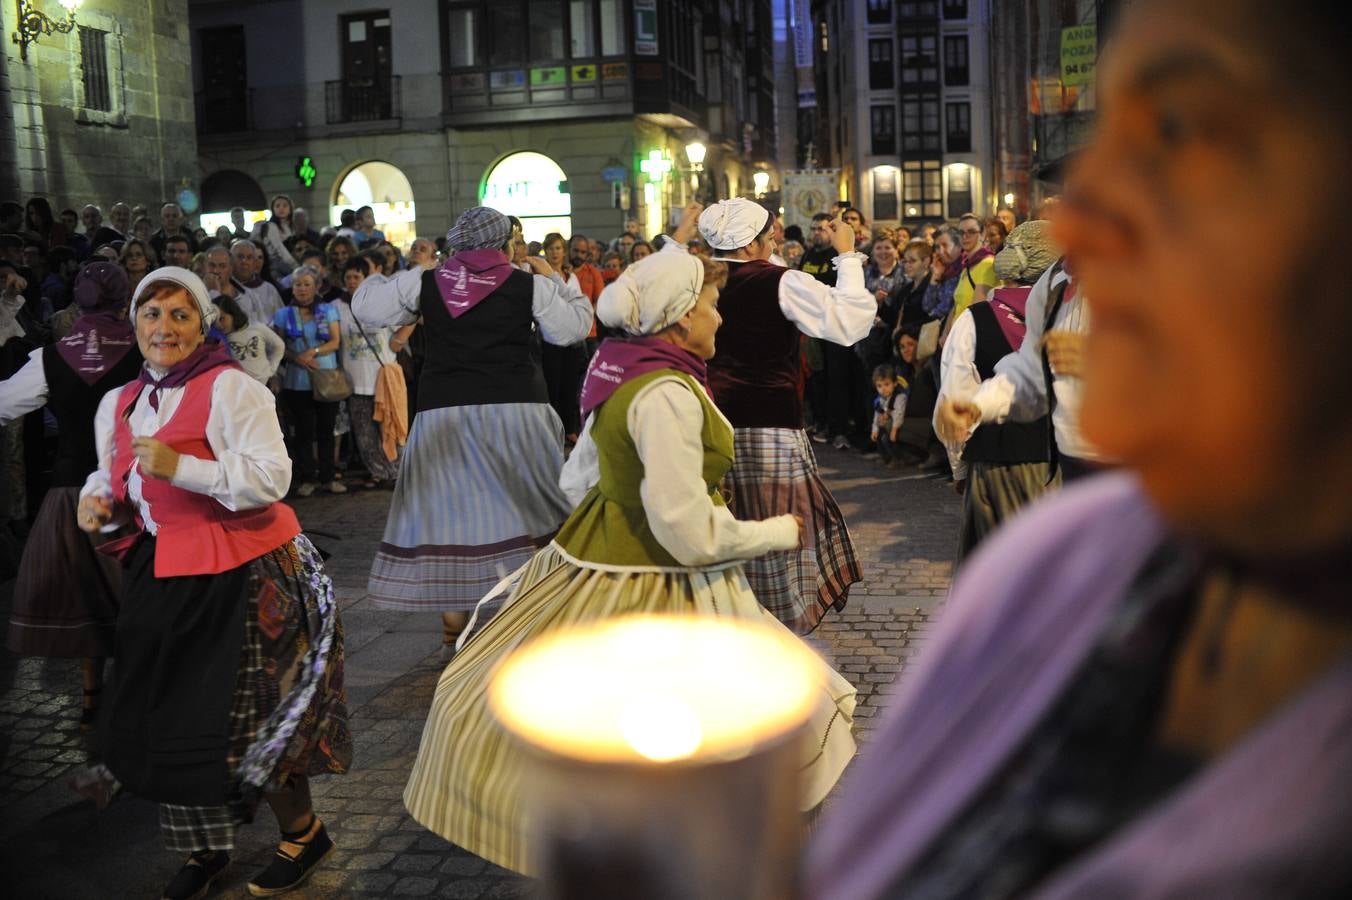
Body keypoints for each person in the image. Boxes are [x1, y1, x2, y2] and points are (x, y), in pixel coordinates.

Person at [807, 2, 1352, 896]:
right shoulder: (1051, 563)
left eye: (1180, 135)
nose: (1092, 209)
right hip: (1091, 483)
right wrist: (972, 403)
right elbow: (1028, 370)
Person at [401, 245, 857, 876]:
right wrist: (775, 531)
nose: (719, 318)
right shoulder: (666, 393)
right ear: (679, 319)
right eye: (710, 305)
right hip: (660, 579)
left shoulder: (623, 369)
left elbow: (576, 480)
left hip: (600, 555)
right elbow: (686, 531)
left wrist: (619, 505)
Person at [76, 266, 350, 900]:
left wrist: (185, 467)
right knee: (173, 715)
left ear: (203, 324)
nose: (163, 328)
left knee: (256, 711)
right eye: (151, 314)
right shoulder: (119, 403)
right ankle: (203, 845)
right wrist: (100, 505)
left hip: (247, 571)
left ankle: (303, 834)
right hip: (164, 571)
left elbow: (270, 477)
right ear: (134, 324)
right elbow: (113, 481)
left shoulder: (232, 388)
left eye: (179, 315)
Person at [352, 206, 592, 645]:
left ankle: (453, 621)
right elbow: (573, 330)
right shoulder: (530, 285)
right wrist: (554, 279)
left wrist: (411, 269)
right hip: (518, 409)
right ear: (504, 245)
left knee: (450, 513)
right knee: (526, 510)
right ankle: (528, 611)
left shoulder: (425, 282)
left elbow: (365, 308)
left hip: (444, 412)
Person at [697, 198, 873, 633]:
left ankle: (728, 624)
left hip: (703, 428)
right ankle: (773, 634)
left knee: (720, 535)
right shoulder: (781, 282)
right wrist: (848, 257)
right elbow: (849, 322)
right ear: (750, 243)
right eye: (770, 234)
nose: (776, 239)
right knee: (775, 540)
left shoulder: (693, 277)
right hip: (768, 429)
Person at [1, 263, 141, 732]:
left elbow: (2, 405)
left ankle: (91, 699)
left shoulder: (51, 356)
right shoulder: (147, 349)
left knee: (85, 598)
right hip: (134, 489)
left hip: (70, 491)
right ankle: (143, 696)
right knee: (138, 593)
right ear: (125, 302)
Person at [936, 220, 1061, 557]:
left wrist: (960, 467)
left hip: (997, 466)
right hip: (1064, 465)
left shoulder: (973, 320)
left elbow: (954, 399)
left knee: (1001, 579)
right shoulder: (1073, 310)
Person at [273, 266, 345, 497]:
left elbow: (335, 342)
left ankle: (328, 476)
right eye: (298, 284)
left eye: (306, 284)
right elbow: (278, 347)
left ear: (316, 287)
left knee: (326, 430)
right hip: (297, 381)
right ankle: (307, 478)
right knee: (303, 432)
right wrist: (297, 358)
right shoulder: (284, 314)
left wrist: (311, 352)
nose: (302, 288)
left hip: (325, 378)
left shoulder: (328, 310)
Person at [332, 259, 402, 488]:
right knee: (364, 434)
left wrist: (399, 340)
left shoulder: (380, 303)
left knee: (390, 427)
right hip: (355, 382)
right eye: (348, 278)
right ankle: (378, 472)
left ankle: (397, 471)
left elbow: (408, 321)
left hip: (383, 378)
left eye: (357, 277)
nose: (352, 282)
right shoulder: (336, 306)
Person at [215, 292, 285, 385]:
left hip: (264, 384)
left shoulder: (257, 328)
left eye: (222, 319)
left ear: (233, 314)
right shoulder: (220, 338)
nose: (219, 324)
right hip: (240, 387)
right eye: (215, 321)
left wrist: (271, 370)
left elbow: (279, 346)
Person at [251, 194, 300, 280]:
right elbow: (279, 247)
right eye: (277, 206)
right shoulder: (271, 226)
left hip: (286, 263)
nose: (281, 208)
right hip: (275, 265)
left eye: (285, 205)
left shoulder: (290, 227)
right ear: (273, 209)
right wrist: (295, 265)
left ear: (290, 209)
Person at [870, 362, 908, 469]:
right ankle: (885, 456)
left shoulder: (899, 397)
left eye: (887, 384)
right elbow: (876, 415)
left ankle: (897, 458)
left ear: (895, 383)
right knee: (878, 436)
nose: (883, 389)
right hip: (887, 425)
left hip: (898, 425)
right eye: (879, 386)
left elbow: (898, 414)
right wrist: (875, 429)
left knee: (887, 439)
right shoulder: (880, 399)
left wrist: (894, 429)